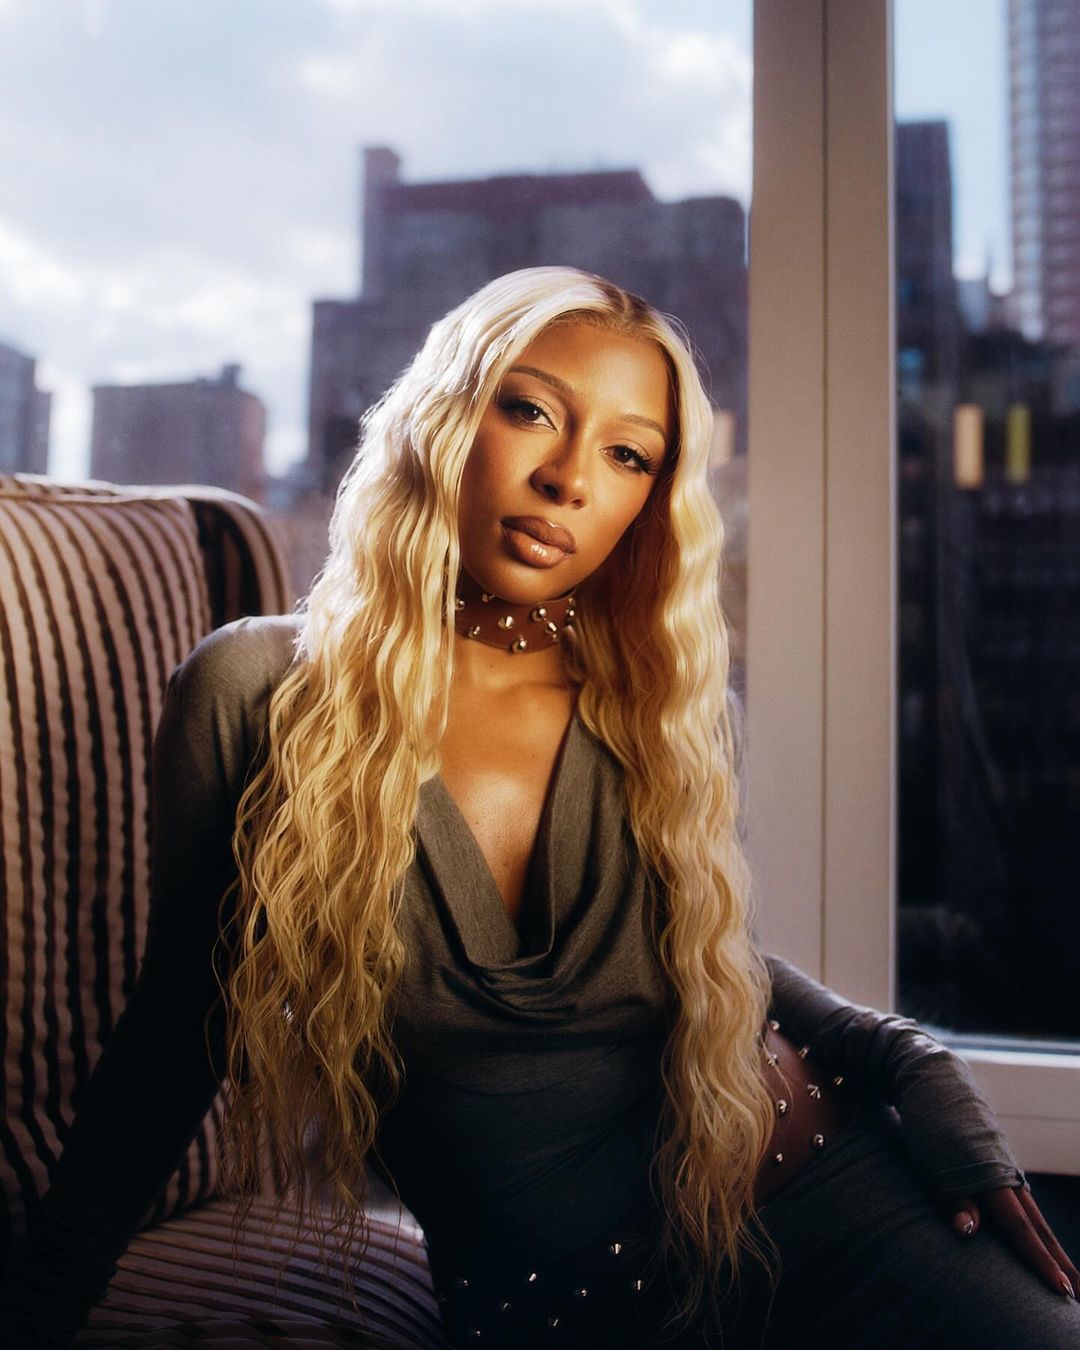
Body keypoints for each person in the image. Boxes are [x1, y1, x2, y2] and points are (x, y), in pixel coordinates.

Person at [2, 267, 1078, 1349]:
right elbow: (172, 1045)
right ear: (443, 419)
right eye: (530, 411)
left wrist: (900, 1055)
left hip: (845, 1203)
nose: (568, 479)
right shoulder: (260, 692)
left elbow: (701, 959)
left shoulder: (661, 706)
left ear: (651, 500)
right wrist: (38, 1312)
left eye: (627, 455)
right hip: (561, 1317)